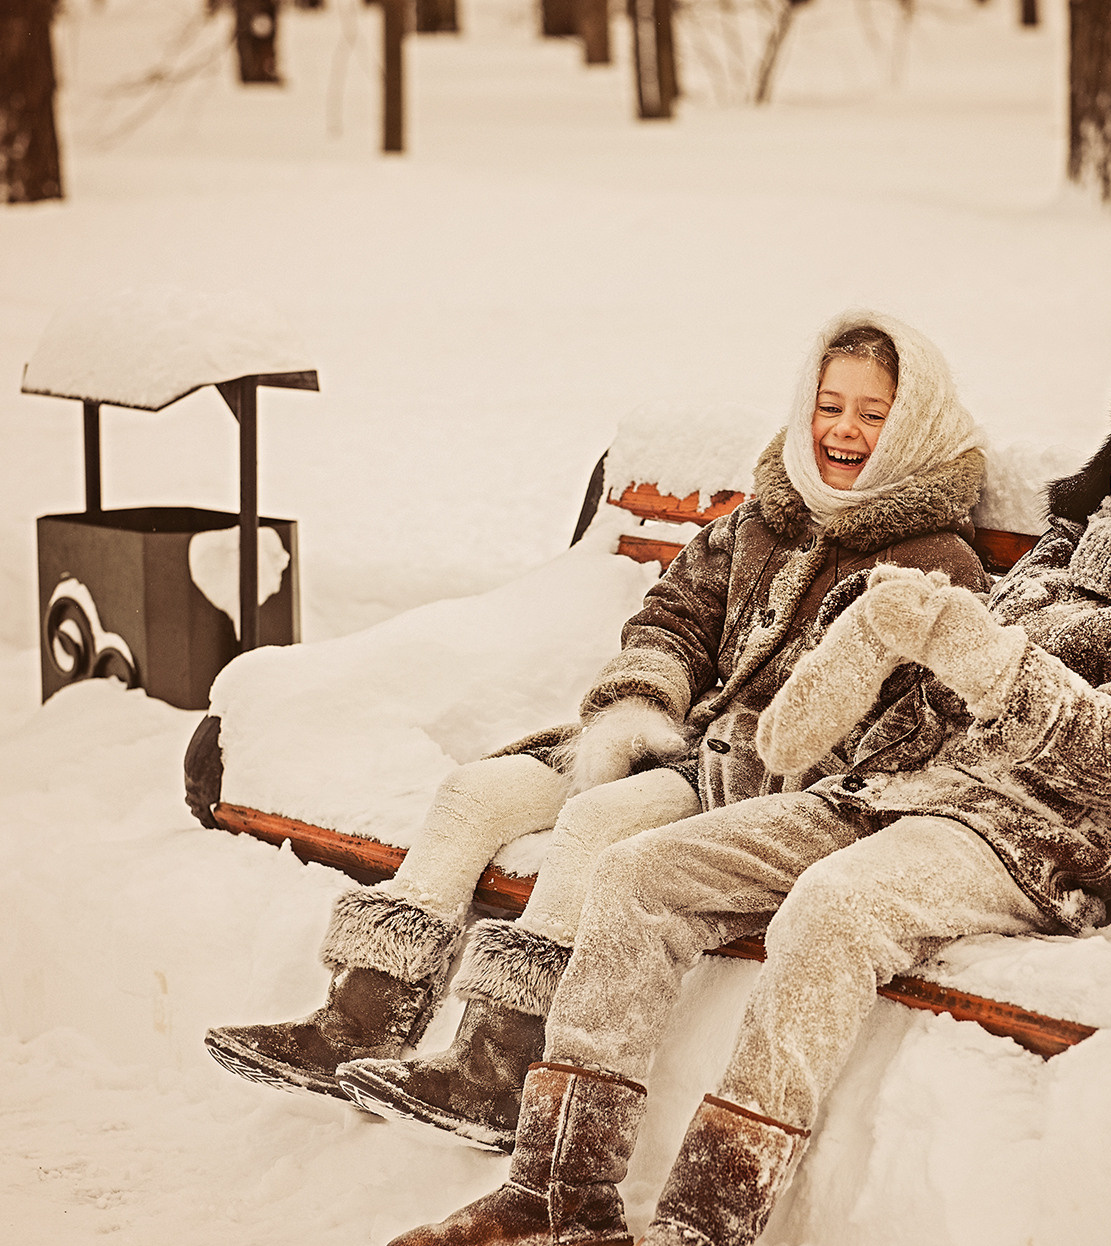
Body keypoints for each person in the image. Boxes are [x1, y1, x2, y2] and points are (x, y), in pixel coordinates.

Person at [374, 318, 1111, 1246]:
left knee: (832, 909)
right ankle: (557, 1188)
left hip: (1024, 844)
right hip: (883, 794)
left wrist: (993, 665)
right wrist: (878, 657)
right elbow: (936, 685)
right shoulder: (1060, 565)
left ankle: (703, 1230)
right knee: (636, 872)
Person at [202, 312, 992, 1153]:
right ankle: (361, 1021)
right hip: (673, 740)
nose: (844, 430)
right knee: (473, 794)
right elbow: (674, 616)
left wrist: (738, 750)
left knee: (594, 821)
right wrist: (637, 707)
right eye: (830, 406)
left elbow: (892, 729)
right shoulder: (763, 519)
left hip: (753, 783)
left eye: (873, 414)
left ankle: (501, 1065)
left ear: (912, 426)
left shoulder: (936, 564)